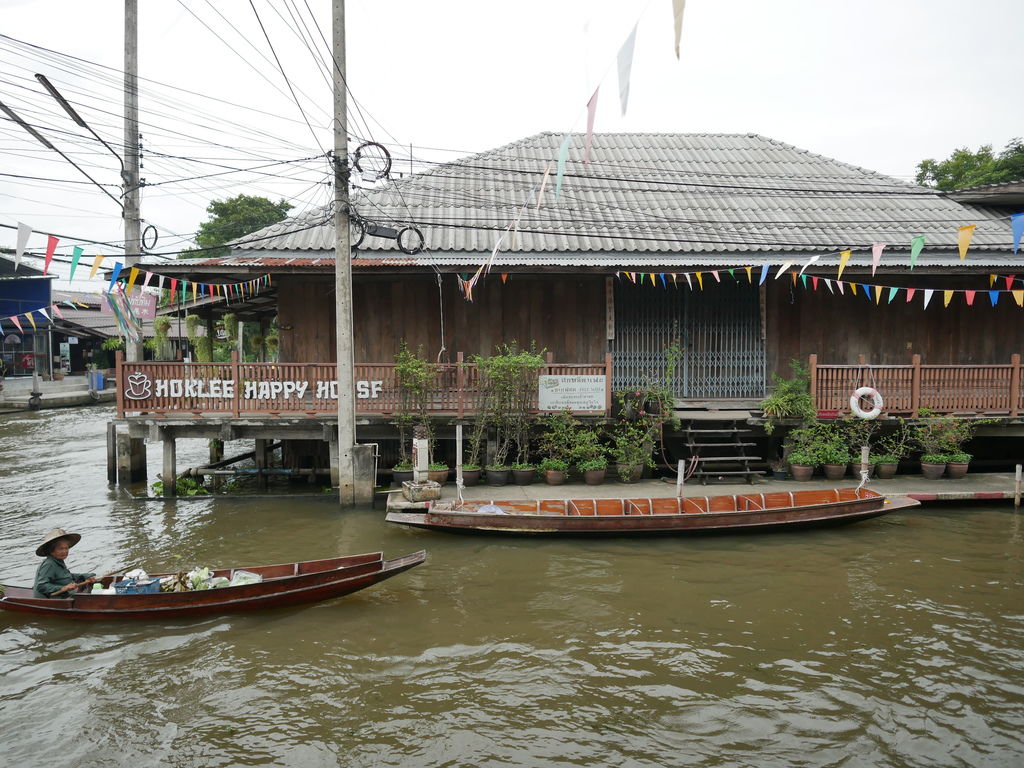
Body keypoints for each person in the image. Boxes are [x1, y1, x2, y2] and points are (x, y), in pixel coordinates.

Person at [33, 528, 97, 599]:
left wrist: (86, 576)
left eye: (66, 548)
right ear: (51, 551)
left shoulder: (58, 561)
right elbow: (41, 586)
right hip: (49, 600)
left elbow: (67, 576)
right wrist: (63, 588)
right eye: (61, 549)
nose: (65, 551)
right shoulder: (49, 564)